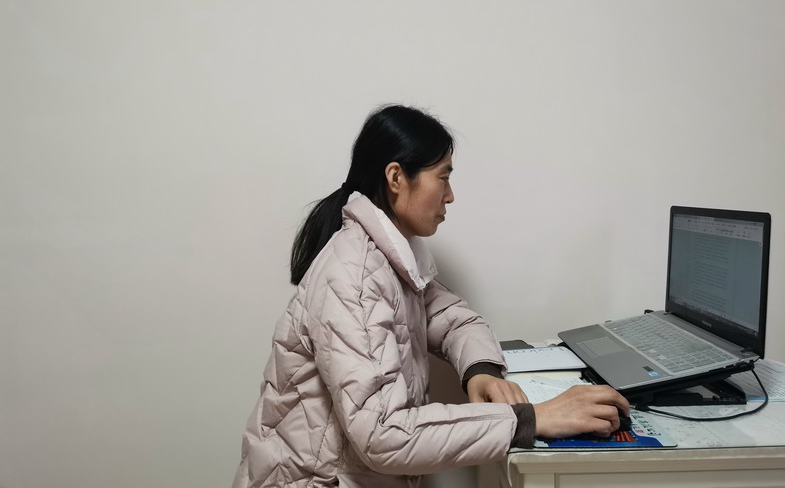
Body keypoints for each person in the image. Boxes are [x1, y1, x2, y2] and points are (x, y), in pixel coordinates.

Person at [232, 104, 629, 488]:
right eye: (443, 177)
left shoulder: (389, 258)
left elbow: (455, 320)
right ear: (396, 177)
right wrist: (532, 419)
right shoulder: (354, 275)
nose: (450, 195)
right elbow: (384, 435)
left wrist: (480, 370)